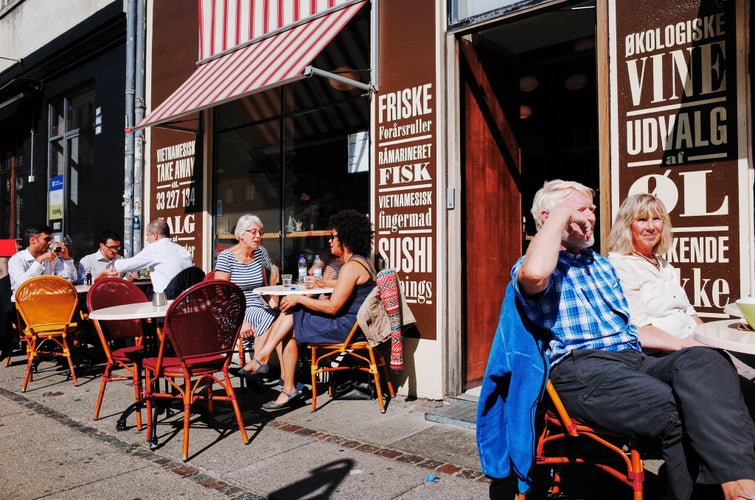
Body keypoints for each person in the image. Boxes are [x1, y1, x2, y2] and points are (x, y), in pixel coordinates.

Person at [512, 179, 755, 500]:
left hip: (631, 360)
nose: (589, 217)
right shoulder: (538, 267)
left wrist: (692, 345)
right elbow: (534, 275)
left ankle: (740, 487)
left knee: (708, 360)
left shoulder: (601, 266)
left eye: (592, 209)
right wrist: (559, 217)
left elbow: (636, 328)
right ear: (548, 217)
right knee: (677, 410)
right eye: (578, 209)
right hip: (581, 370)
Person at [238, 209, 376, 411]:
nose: (330, 241)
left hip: (346, 328)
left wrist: (299, 299)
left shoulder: (351, 267)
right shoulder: (362, 262)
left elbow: (332, 307)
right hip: (354, 324)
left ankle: (279, 379)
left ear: (345, 238)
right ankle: (270, 367)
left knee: (291, 314)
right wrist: (323, 282)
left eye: (333, 237)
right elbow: (345, 285)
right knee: (290, 316)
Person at [606, 193, 705, 352]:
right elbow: (639, 327)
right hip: (664, 354)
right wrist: (687, 347)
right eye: (642, 220)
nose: (651, 227)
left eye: (657, 219)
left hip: (694, 345)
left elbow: (690, 313)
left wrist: (714, 345)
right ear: (626, 225)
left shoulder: (664, 265)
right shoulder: (621, 266)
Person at [214, 214, 279, 343]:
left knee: (283, 316)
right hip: (236, 310)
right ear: (241, 234)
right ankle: (260, 361)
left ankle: (260, 361)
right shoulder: (226, 257)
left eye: (260, 233)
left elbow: (263, 287)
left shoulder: (260, 252)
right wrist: (240, 321)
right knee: (275, 318)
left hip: (258, 307)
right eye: (254, 232)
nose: (258, 236)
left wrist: (274, 303)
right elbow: (220, 297)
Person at [113, 219, 193, 294]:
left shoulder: (154, 248)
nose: (147, 239)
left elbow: (127, 266)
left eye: (147, 235)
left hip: (166, 301)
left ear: (155, 235)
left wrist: (115, 262)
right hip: (187, 300)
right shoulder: (183, 250)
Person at [8, 224, 77, 298]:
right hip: (25, 303)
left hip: (49, 301)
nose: (50, 242)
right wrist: (39, 261)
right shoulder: (17, 259)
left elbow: (71, 280)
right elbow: (23, 284)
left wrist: (66, 258)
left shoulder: (51, 257)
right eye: (47, 239)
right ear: (33, 240)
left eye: (51, 239)